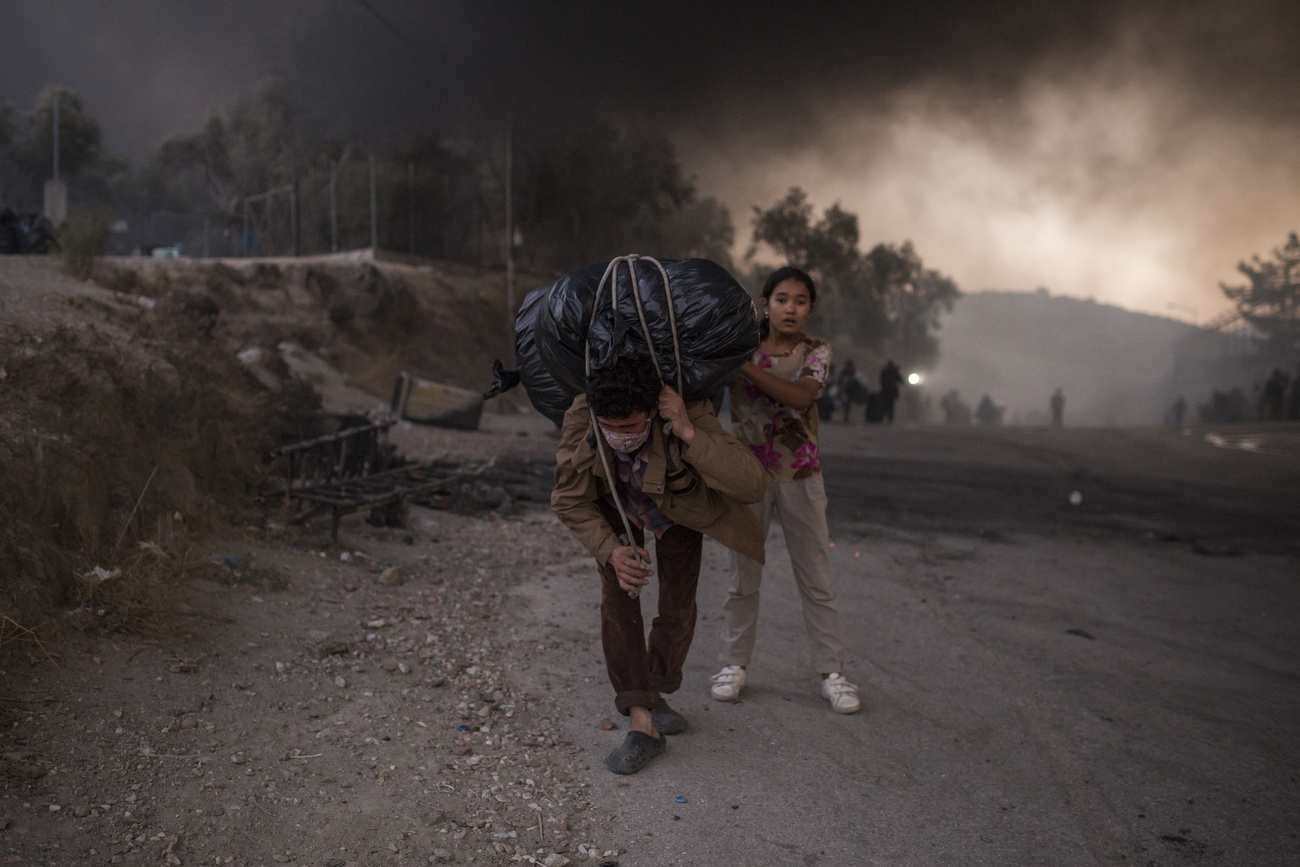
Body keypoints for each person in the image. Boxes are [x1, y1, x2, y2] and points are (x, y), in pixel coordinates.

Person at [551, 354, 767, 774]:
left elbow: (751, 483)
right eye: (609, 428)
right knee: (618, 598)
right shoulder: (584, 415)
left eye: (630, 427)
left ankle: (657, 688)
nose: (619, 437)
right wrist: (610, 550)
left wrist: (687, 430)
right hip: (614, 502)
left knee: (677, 605)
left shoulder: (688, 408)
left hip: (679, 509)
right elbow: (567, 498)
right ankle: (642, 720)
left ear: (652, 411)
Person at [712, 266, 862, 714]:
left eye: (800, 300)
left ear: (810, 308)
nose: (790, 308)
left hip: (801, 478)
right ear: (765, 303)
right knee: (742, 578)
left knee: (815, 578)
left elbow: (801, 397)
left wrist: (742, 366)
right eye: (781, 299)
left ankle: (832, 674)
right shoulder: (739, 347)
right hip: (747, 477)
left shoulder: (815, 351)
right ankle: (734, 665)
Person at [879, 360, 904, 424]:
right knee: (889, 405)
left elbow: (900, 380)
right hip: (889, 390)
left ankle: (888, 417)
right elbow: (900, 380)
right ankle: (889, 417)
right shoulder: (890, 372)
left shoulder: (887, 372)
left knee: (888, 404)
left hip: (889, 391)